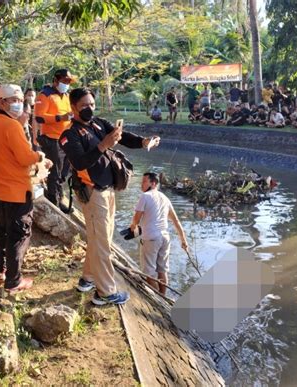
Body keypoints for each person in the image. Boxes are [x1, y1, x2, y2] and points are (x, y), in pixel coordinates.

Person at [59, 87, 160, 306]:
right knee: (103, 242)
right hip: (92, 193)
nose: (90, 108)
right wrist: (104, 144)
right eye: (85, 105)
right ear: (73, 106)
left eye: (92, 104)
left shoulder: (98, 123)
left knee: (98, 239)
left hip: (108, 190)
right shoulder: (69, 135)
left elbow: (122, 137)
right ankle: (105, 292)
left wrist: (143, 142)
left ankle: (88, 279)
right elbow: (79, 162)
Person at [0, 84, 52, 292]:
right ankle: (13, 280)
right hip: (16, 190)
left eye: (20, 100)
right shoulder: (11, 126)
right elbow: (24, 157)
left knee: (2, 230)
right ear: (1, 102)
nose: (18, 104)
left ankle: (1, 267)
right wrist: (40, 157)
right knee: (19, 235)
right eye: (13, 100)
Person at [129, 172, 188, 295]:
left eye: (145, 181)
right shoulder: (165, 198)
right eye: (142, 181)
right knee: (162, 270)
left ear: (153, 183)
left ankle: (157, 299)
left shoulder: (145, 196)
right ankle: (163, 296)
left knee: (149, 272)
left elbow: (136, 218)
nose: (142, 184)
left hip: (151, 238)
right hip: (165, 238)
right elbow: (176, 221)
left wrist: (133, 227)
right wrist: (183, 240)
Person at [34, 69, 74, 213]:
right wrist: (59, 118)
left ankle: (59, 195)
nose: (67, 84)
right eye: (64, 81)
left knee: (64, 171)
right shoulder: (45, 94)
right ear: (56, 81)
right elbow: (39, 117)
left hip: (66, 139)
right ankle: (54, 201)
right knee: (55, 172)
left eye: (69, 81)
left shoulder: (67, 96)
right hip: (51, 139)